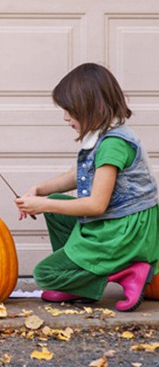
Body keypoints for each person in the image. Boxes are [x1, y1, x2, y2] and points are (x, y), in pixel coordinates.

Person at [15, 63, 159, 312]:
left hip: (126, 232)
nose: (65, 117)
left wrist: (44, 203)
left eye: (70, 110)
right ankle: (81, 284)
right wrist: (40, 190)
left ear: (91, 107)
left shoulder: (114, 145)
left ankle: (128, 271)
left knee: (46, 273)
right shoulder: (104, 136)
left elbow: (96, 205)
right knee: (56, 207)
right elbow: (79, 175)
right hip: (117, 223)